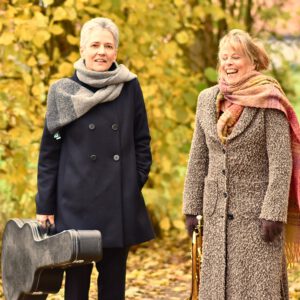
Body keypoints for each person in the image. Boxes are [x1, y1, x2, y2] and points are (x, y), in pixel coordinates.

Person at [35, 17, 155, 300]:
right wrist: (45, 204)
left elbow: (142, 141)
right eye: (95, 45)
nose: (101, 52)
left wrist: (130, 182)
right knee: (76, 287)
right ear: (82, 49)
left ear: (116, 51)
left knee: (113, 285)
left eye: (108, 46)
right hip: (74, 202)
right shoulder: (62, 91)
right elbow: (49, 153)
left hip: (118, 202)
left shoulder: (129, 86)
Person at [183, 29, 300, 299]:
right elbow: (199, 155)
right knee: (217, 289)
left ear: (253, 61)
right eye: (224, 57)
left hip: (257, 218)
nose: (228, 63)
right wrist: (191, 206)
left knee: (257, 289)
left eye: (236, 57)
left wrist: (273, 213)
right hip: (216, 216)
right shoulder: (206, 99)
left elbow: (281, 162)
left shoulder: (270, 100)